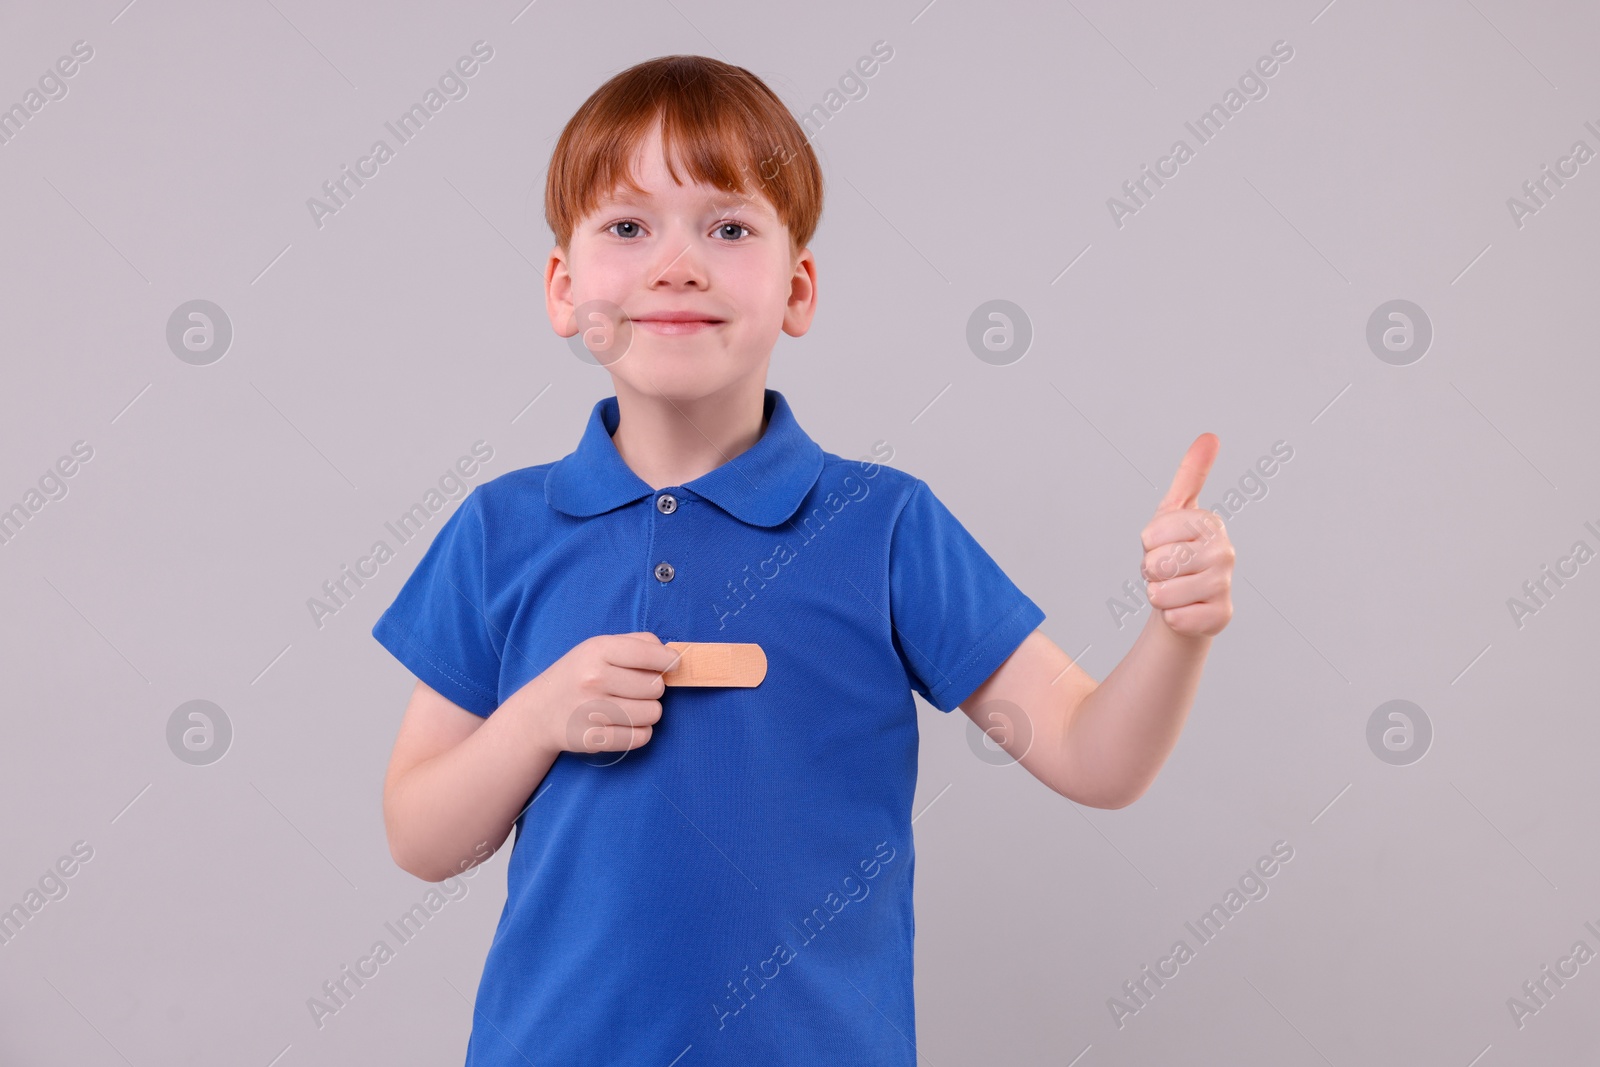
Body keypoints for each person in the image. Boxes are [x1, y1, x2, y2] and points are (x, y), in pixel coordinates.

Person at [372, 53, 1235, 1066]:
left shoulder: (886, 526)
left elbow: (1098, 757)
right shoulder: (497, 529)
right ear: (564, 289)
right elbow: (424, 839)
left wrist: (1177, 630)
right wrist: (534, 719)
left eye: (729, 227)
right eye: (627, 226)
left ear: (798, 286)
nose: (676, 264)